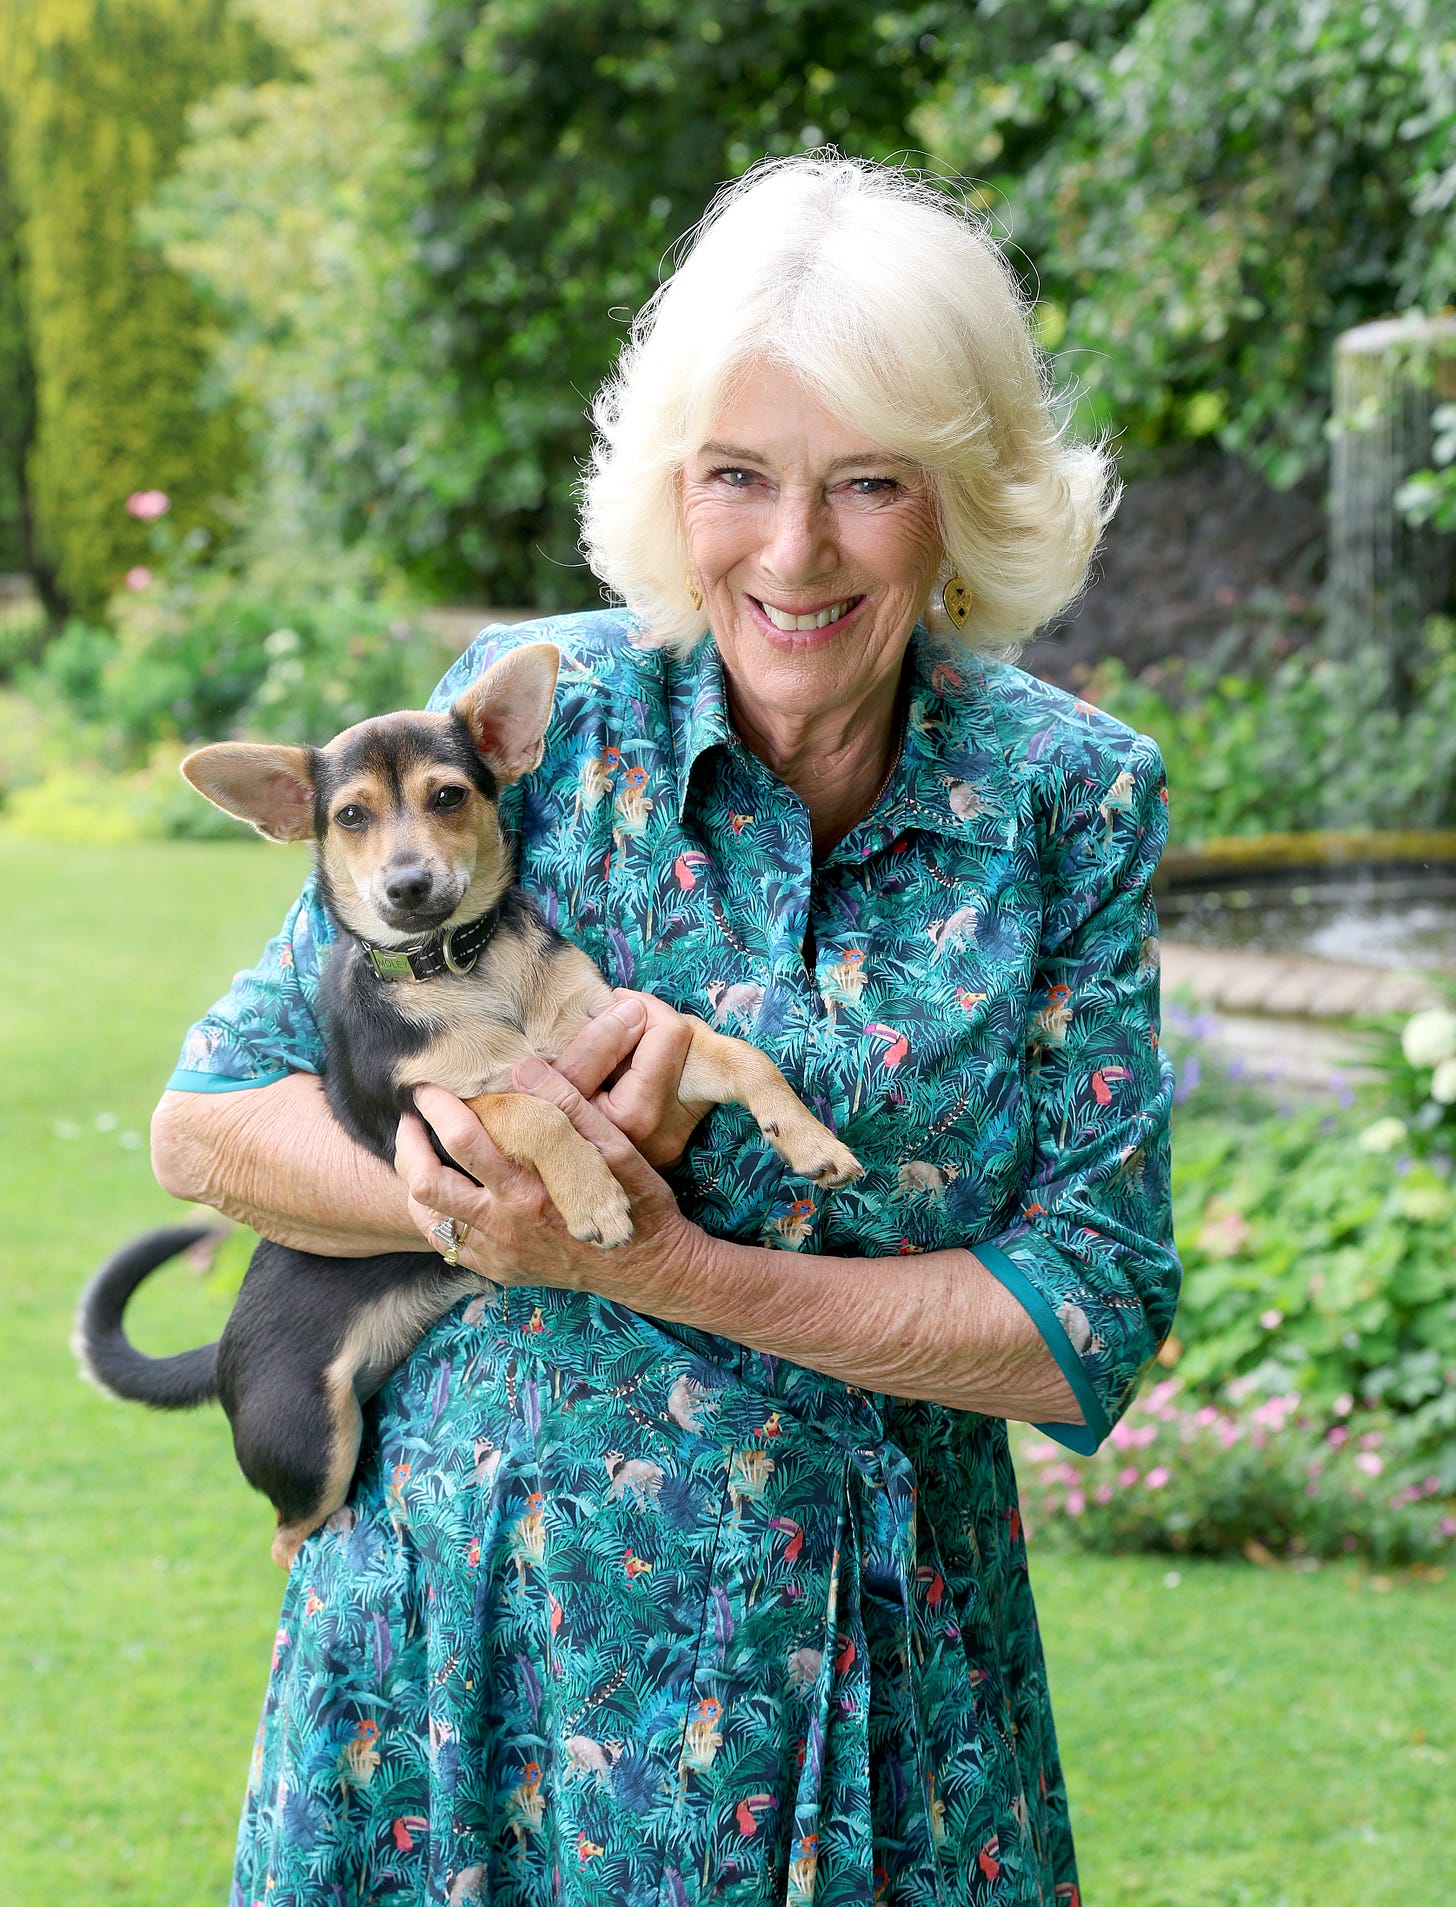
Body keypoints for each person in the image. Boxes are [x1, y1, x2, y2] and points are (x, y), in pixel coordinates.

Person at [153, 153, 1179, 1905]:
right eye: (738, 477)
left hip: (875, 1698)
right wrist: (474, 1194)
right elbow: (211, 1120)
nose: (794, 550)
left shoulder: (1065, 799)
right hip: (464, 1667)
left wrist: (662, 1263)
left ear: (965, 503)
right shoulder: (535, 726)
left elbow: (1089, 1314)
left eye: (868, 482)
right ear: (672, 489)